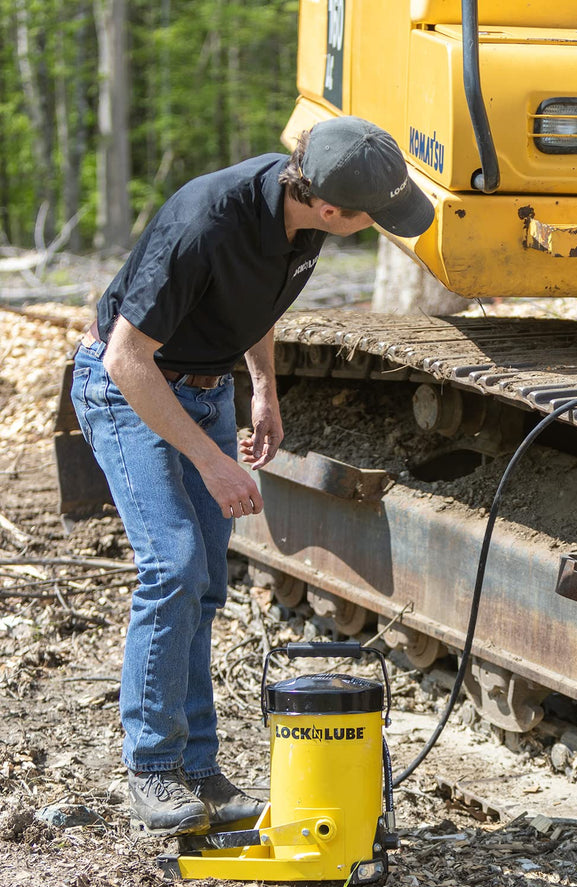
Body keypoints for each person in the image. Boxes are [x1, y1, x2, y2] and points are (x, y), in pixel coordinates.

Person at [71, 115, 434, 836]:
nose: (378, 225)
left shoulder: (305, 215)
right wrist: (211, 460)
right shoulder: (206, 221)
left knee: (205, 576)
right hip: (131, 386)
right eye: (374, 217)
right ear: (330, 206)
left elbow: (255, 302)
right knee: (171, 563)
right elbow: (124, 359)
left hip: (204, 387)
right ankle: (150, 768)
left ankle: (198, 770)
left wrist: (262, 386)